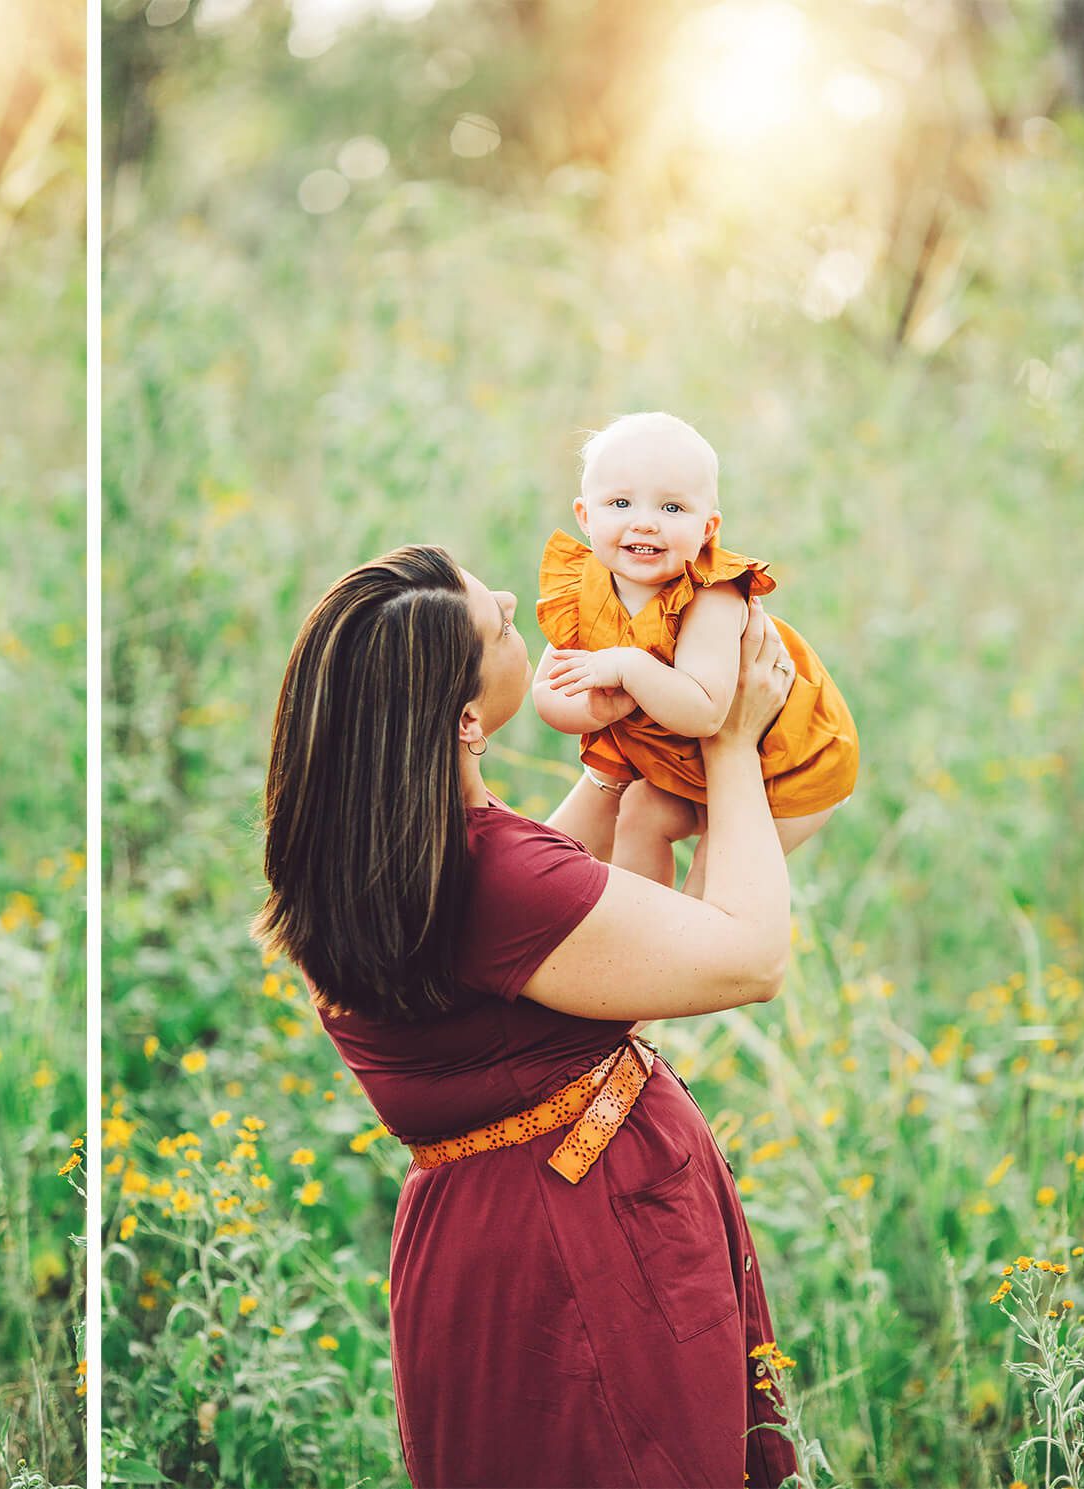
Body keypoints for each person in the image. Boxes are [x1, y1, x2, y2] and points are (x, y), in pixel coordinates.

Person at [253, 543, 801, 1489]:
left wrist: (615, 757)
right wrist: (729, 739)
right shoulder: (497, 884)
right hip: (583, 1248)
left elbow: (557, 910)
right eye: (499, 622)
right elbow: (753, 958)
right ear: (466, 719)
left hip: (489, 1239)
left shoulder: (369, 859)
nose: (515, 601)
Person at [533, 411, 857, 893]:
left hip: (789, 769)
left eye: (672, 509)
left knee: (712, 885)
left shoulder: (711, 597)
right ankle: (636, 927)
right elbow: (548, 691)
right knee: (638, 815)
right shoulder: (584, 585)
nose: (644, 523)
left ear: (708, 527)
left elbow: (705, 712)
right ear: (585, 516)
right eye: (620, 503)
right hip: (695, 765)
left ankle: (684, 942)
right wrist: (594, 708)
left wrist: (628, 666)